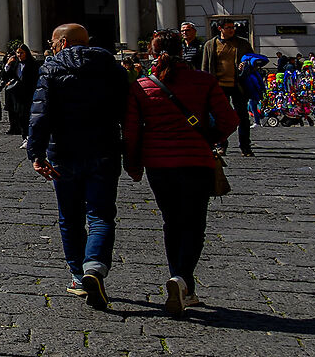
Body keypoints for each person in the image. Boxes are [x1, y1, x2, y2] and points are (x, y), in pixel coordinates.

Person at [27, 22, 140, 309]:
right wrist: (130, 150)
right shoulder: (113, 68)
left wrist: (36, 154)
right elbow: (127, 111)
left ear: (63, 43)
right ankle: (95, 268)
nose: (51, 48)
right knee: (101, 215)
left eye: (53, 43)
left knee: (70, 216)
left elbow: (40, 115)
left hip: (62, 152)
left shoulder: (51, 69)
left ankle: (78, 276)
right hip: (104, 150)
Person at [127, 31, 237, 317]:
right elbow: (229, 119)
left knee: (172, 222)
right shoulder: (204, 81)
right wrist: (209, 138)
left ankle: (180, 279)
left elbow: (131, 131)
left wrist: (133, 164)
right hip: (196, 162)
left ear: (152, 53)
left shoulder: (141, 86)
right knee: (194, 224)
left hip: (159, 165)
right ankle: (183, 280)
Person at [198, 21, 253, 155]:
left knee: (243, 117)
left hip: (238, 85)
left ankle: (245, 147)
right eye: (228, 28)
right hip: (218, 86)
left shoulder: (243, 44)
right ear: (220, 29)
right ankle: (221, 145)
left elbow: (252, 61)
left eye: (232, 27)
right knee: (219, 117)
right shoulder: (210, 45)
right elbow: (205, 67)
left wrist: (245, 65)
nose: (231, 30)